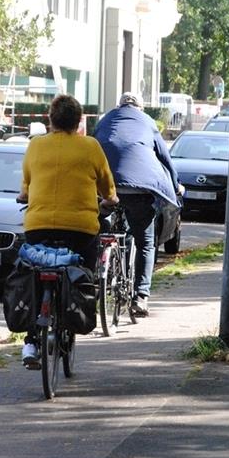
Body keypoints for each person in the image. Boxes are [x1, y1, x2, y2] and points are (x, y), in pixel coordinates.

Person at [17, 94, 118, 368]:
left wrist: (25, 196)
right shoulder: (91, 147)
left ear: (50, 120)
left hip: (38, 227)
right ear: (79, 122)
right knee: (83, 274)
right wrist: (110, 198)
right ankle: (73, 316)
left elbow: (25, 186)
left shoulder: (35, 146)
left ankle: (30, 342)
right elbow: (107, 186)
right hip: (80, 230)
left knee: (35, 275)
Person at [94, 92, 182, 318]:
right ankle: (141, 296)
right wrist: (176, 186)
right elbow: (165, 159)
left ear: (118, 106)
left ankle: (97, 279)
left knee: (96, 228)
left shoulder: (105, 120)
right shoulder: (148, 123)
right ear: (140, 108)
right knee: (145, 243)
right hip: (139, 189)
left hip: (106, 189)